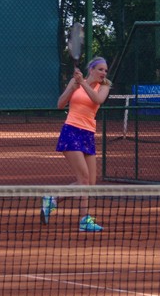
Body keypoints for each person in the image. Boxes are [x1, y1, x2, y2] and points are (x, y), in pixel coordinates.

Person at [41, 56, 112, 232]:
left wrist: (83, 84)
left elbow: (97, 100)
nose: (104, 73)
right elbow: (60, 104)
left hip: (88, 134)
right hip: (71, 131)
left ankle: (53, 199)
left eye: (105, 70)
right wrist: (73, 86)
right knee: (84, 178)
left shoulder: (105, 86)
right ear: (91, 70)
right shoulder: (75, 81)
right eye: (100, 69)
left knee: (90, 183)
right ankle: (84, 220)